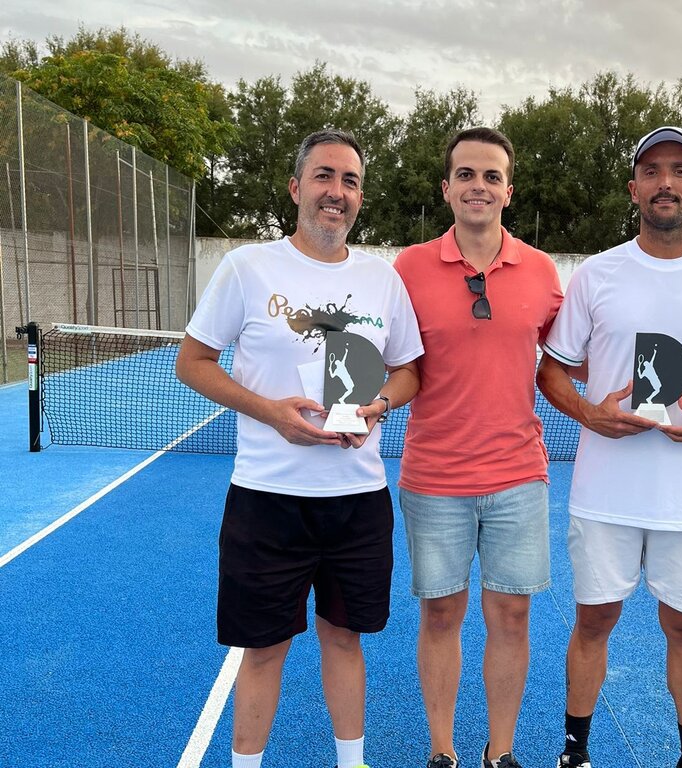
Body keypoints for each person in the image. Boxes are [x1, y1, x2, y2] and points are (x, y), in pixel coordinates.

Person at [176, 129, 423, 768]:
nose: (336, 192)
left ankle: (352, 762)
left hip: (358, 501)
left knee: (345, 640)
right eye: (324, 176)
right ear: (295, 188)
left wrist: (380, 406)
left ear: (360, 197)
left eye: (350, 181)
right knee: (263, 650)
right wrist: (271, 414)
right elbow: (192, 362)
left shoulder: (382, 279)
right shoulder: (247, 267)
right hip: (267, 500)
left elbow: (408, 371)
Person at [536, 126, 682, 768]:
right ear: (633, 188)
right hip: (604, 495)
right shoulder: (596, 275)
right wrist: (590, 414)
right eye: (651, 171)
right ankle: (574, 752)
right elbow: (552, 370)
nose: (664, 182)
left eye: (679, 170)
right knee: (593, 622)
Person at [392, 127, 563, 768]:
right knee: (441, 615)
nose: (478, 186)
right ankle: (442, 752)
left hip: (519, 476)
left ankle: (501, 752)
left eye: (492, 176)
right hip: (433, 477)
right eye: (466, 174)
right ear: (446, 188)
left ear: (508, 192)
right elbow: (390, 360)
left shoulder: (542, 272)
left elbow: (570, 357)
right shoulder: (408, 269)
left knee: (512, 616)